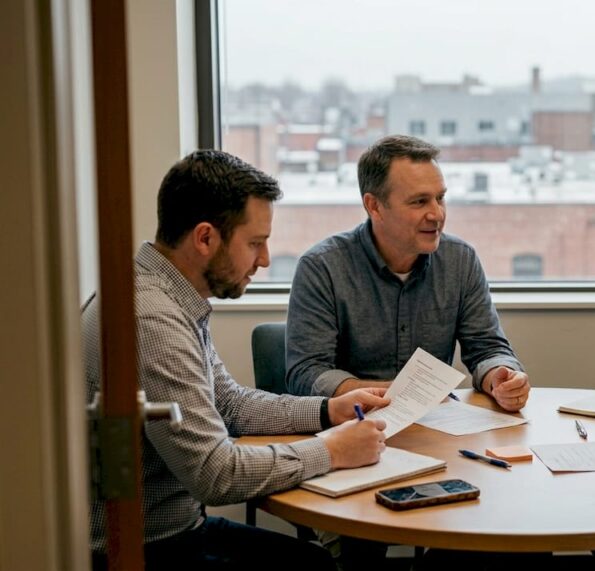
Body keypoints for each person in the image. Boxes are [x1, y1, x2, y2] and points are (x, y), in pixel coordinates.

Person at [83, 150, 389, 570]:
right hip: (142, 552)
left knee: (311, 563)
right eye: (255, 244)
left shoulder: (166, 295)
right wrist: (331, 451)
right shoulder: (151, 318)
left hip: (174, 531)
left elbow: (229, 404)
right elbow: (214, 473)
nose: (264, 260)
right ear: (205, 238)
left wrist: (325, 411)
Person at [285, 134, 530, 411]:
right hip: (351, 428)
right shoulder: (322, 267)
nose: (437, 214)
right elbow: (306, 373)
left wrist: (501, 375)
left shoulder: (459, 260)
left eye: (440, 198)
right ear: (374, 206)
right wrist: (392, 393)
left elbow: (488, 348)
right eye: (419, 202)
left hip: (434, 429)